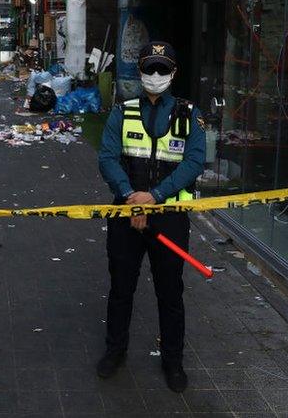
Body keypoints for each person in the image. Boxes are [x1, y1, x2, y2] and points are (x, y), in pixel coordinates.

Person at [96, 41, 205, 393]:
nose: (155, 76)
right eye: (149, 69)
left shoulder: (189, 114)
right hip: (127, 214)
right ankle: (115, 351)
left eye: (162, 69)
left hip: (169, 216)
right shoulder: (122, 112)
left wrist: (154, 196)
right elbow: (108, 158)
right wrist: (131, 196)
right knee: (121, 288)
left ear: (174, 73)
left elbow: (193, 162)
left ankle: (173, 362)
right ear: (140, 72)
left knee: (170, 292)